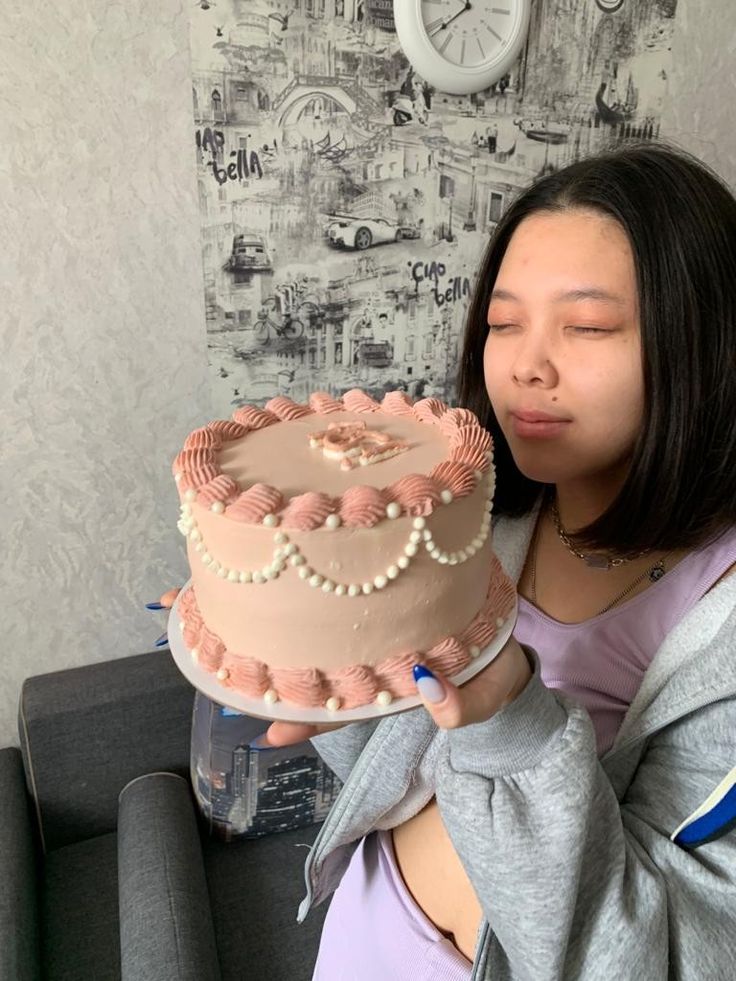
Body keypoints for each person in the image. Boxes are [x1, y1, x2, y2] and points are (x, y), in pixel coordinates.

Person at [154, 141, 736, 978]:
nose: (525, 365)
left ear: (702, 342)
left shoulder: (717, 631)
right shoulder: (473, 518)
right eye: (503, 323)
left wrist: (509, 712)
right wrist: (334, 681)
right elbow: (401, 776)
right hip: (362, 933)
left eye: (586, 325)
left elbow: (653, 956)